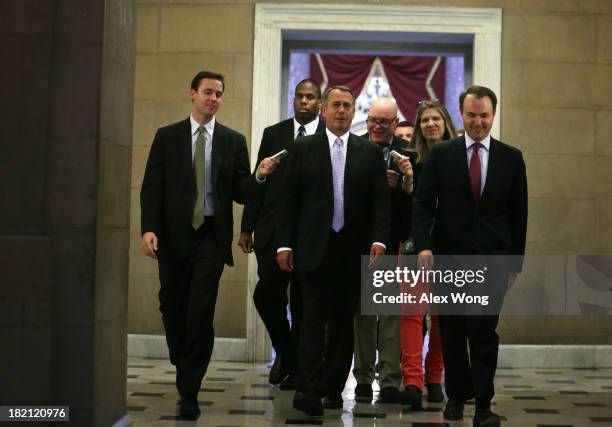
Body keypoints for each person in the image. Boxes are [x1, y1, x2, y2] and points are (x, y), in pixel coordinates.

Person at [140, 71, 279, 420]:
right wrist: (148, 230)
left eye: (219, 94)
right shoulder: (167, 137)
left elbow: (241, 192)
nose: (214, 98)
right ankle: (181, 355)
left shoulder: (233, 141)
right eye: (208, 92)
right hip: (173, 238)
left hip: (210, 239)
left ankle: (189, 390)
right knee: (173, 307)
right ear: (192, 94)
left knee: (200, 313)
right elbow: (152, 188)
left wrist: (260, 175)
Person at [413, 86, 527, 427]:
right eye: (472, 115)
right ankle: (457, 396)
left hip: (492, 260)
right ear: (461, 115)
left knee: (483, 333)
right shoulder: (442, 154)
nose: (478, 122)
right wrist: (424, 245)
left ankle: (483, 404)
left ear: (493, 116)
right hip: (448, 257)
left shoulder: (511, 157)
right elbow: (422, 203)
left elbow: (519, 214)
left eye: (484, 115)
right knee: (452, 330)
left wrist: (514, 263)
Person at [276, 86, 391, 417]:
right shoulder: (303, 148)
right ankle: (308, 390)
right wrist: (284, 243)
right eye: (336, 105)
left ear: (355, 112)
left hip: (352, 250)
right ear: (323, 110)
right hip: (313, 248)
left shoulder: (367, 152)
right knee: (311, 321)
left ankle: (332, 388)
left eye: (348, 106)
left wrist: (380, 240)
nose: (342, 111)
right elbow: (289, 201)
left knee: (343, 325)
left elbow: (380, 204)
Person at [238, 79, 325, 390]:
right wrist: (247, 225)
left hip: (309, 235)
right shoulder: (274, 133)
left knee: (303, 303)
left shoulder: (328, 135)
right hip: (271, 230)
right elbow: (259, 177)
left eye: (310, 97)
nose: (304, 102)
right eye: (300, 96)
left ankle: (301, 367)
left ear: (320, 103)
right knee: (267, 294)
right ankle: (286, 352)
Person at [353, 97, 414, 404]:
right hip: (357, 242)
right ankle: (363, 377)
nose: (376, 127)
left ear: (395, 124)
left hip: (391, 244)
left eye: (383, 122)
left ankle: (390, 379)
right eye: (372, 121)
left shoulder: (408, 156)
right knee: (362, 315)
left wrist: (402, 185)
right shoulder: (353, 147)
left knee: (390, 314)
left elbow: (416, 208)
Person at [399, 99, 458, 409]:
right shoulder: (409, 159)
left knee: (442, 317)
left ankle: (435, 377)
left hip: (450, 248)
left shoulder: (461, 157)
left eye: (436, 119)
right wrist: (407, 180)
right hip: (413, 247)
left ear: (446, 122)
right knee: (411, 314)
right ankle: (412, 380)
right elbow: (405, 206)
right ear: (418, 128)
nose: (430, 124)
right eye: (424, 120)